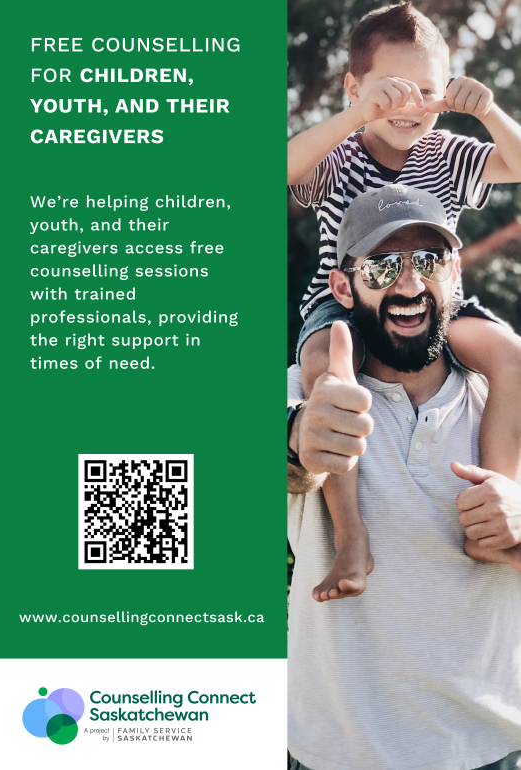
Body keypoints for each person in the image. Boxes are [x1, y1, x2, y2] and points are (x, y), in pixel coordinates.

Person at [288, 2, 521, 602]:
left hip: (441, 308)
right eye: (390, 91)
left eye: (426, 90)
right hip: (343, 305)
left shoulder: (446, 152)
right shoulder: (338, 154)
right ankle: (350, 536)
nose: (409, 106)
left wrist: (489, 111)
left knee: (510, 354)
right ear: (355, 88)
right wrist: (354, 117)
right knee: (325, 372)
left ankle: (494, 502)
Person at [287, 187, 521, 770]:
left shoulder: (507, 398)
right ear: (343, 288)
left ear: (455, 274)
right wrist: (298, 440)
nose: (410, 284)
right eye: (384, 265)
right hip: (335, 757)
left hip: (488, 751)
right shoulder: (301, 390)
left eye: (429, 261)